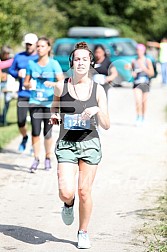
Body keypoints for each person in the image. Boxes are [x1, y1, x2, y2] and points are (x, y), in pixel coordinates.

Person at [44, 42, 110, 249]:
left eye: (85, 59)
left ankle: (83, 232)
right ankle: (67, 204)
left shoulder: (98, 90)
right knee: (66, 191)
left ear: (91, 62)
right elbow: (55, 103)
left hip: (90, 144)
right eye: (77, 58)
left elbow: (107, 125)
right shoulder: (61, 86)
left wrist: (97, 110)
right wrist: (54, 113)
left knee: (84, 191)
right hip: (67, 144)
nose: (80, 62)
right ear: (72, 61)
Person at [24, 37, 64, 172]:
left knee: (47, 133)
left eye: (42, 46)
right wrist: (28, 85)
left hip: (49, 103)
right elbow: (25, 82)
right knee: (35, 132)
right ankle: (36, 158)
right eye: (38, 46)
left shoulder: (54, 64)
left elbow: (61, 82)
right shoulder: (31, 64)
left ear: (48, 48)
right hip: (34, 102)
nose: (40, 49)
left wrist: (52, 84)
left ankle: (47, 157)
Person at [9, 33, 38, 151]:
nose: (28, 46)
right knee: (20, 121)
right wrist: (18, 74)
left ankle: (33, 144)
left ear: (36, 44)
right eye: (27, 44)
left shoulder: (39, 58)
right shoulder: (19, 56)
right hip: (23, 94)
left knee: (35, 124)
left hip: (36, 95)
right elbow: (11, 70)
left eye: (30, 44)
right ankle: (25, 137)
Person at [132, 44, 154, 125]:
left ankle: (143, 117)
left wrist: (144, 68)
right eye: (137, 50)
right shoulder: (134, 61)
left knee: (144, 102)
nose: (139, 52)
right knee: (138, 101)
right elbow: (132, 72)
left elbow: (152, 73)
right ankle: (138, 117)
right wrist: (133, 73)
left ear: (144, 51)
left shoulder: (147, 61)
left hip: (146, 83)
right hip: (137, 83)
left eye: (140, 50)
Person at [0, 46, 14, 125]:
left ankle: (3, 119)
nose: (7, 55)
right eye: (6, 54)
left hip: (8, 83)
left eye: (8, 53)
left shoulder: (11, 60)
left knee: (7, 102)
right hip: (1, 82)